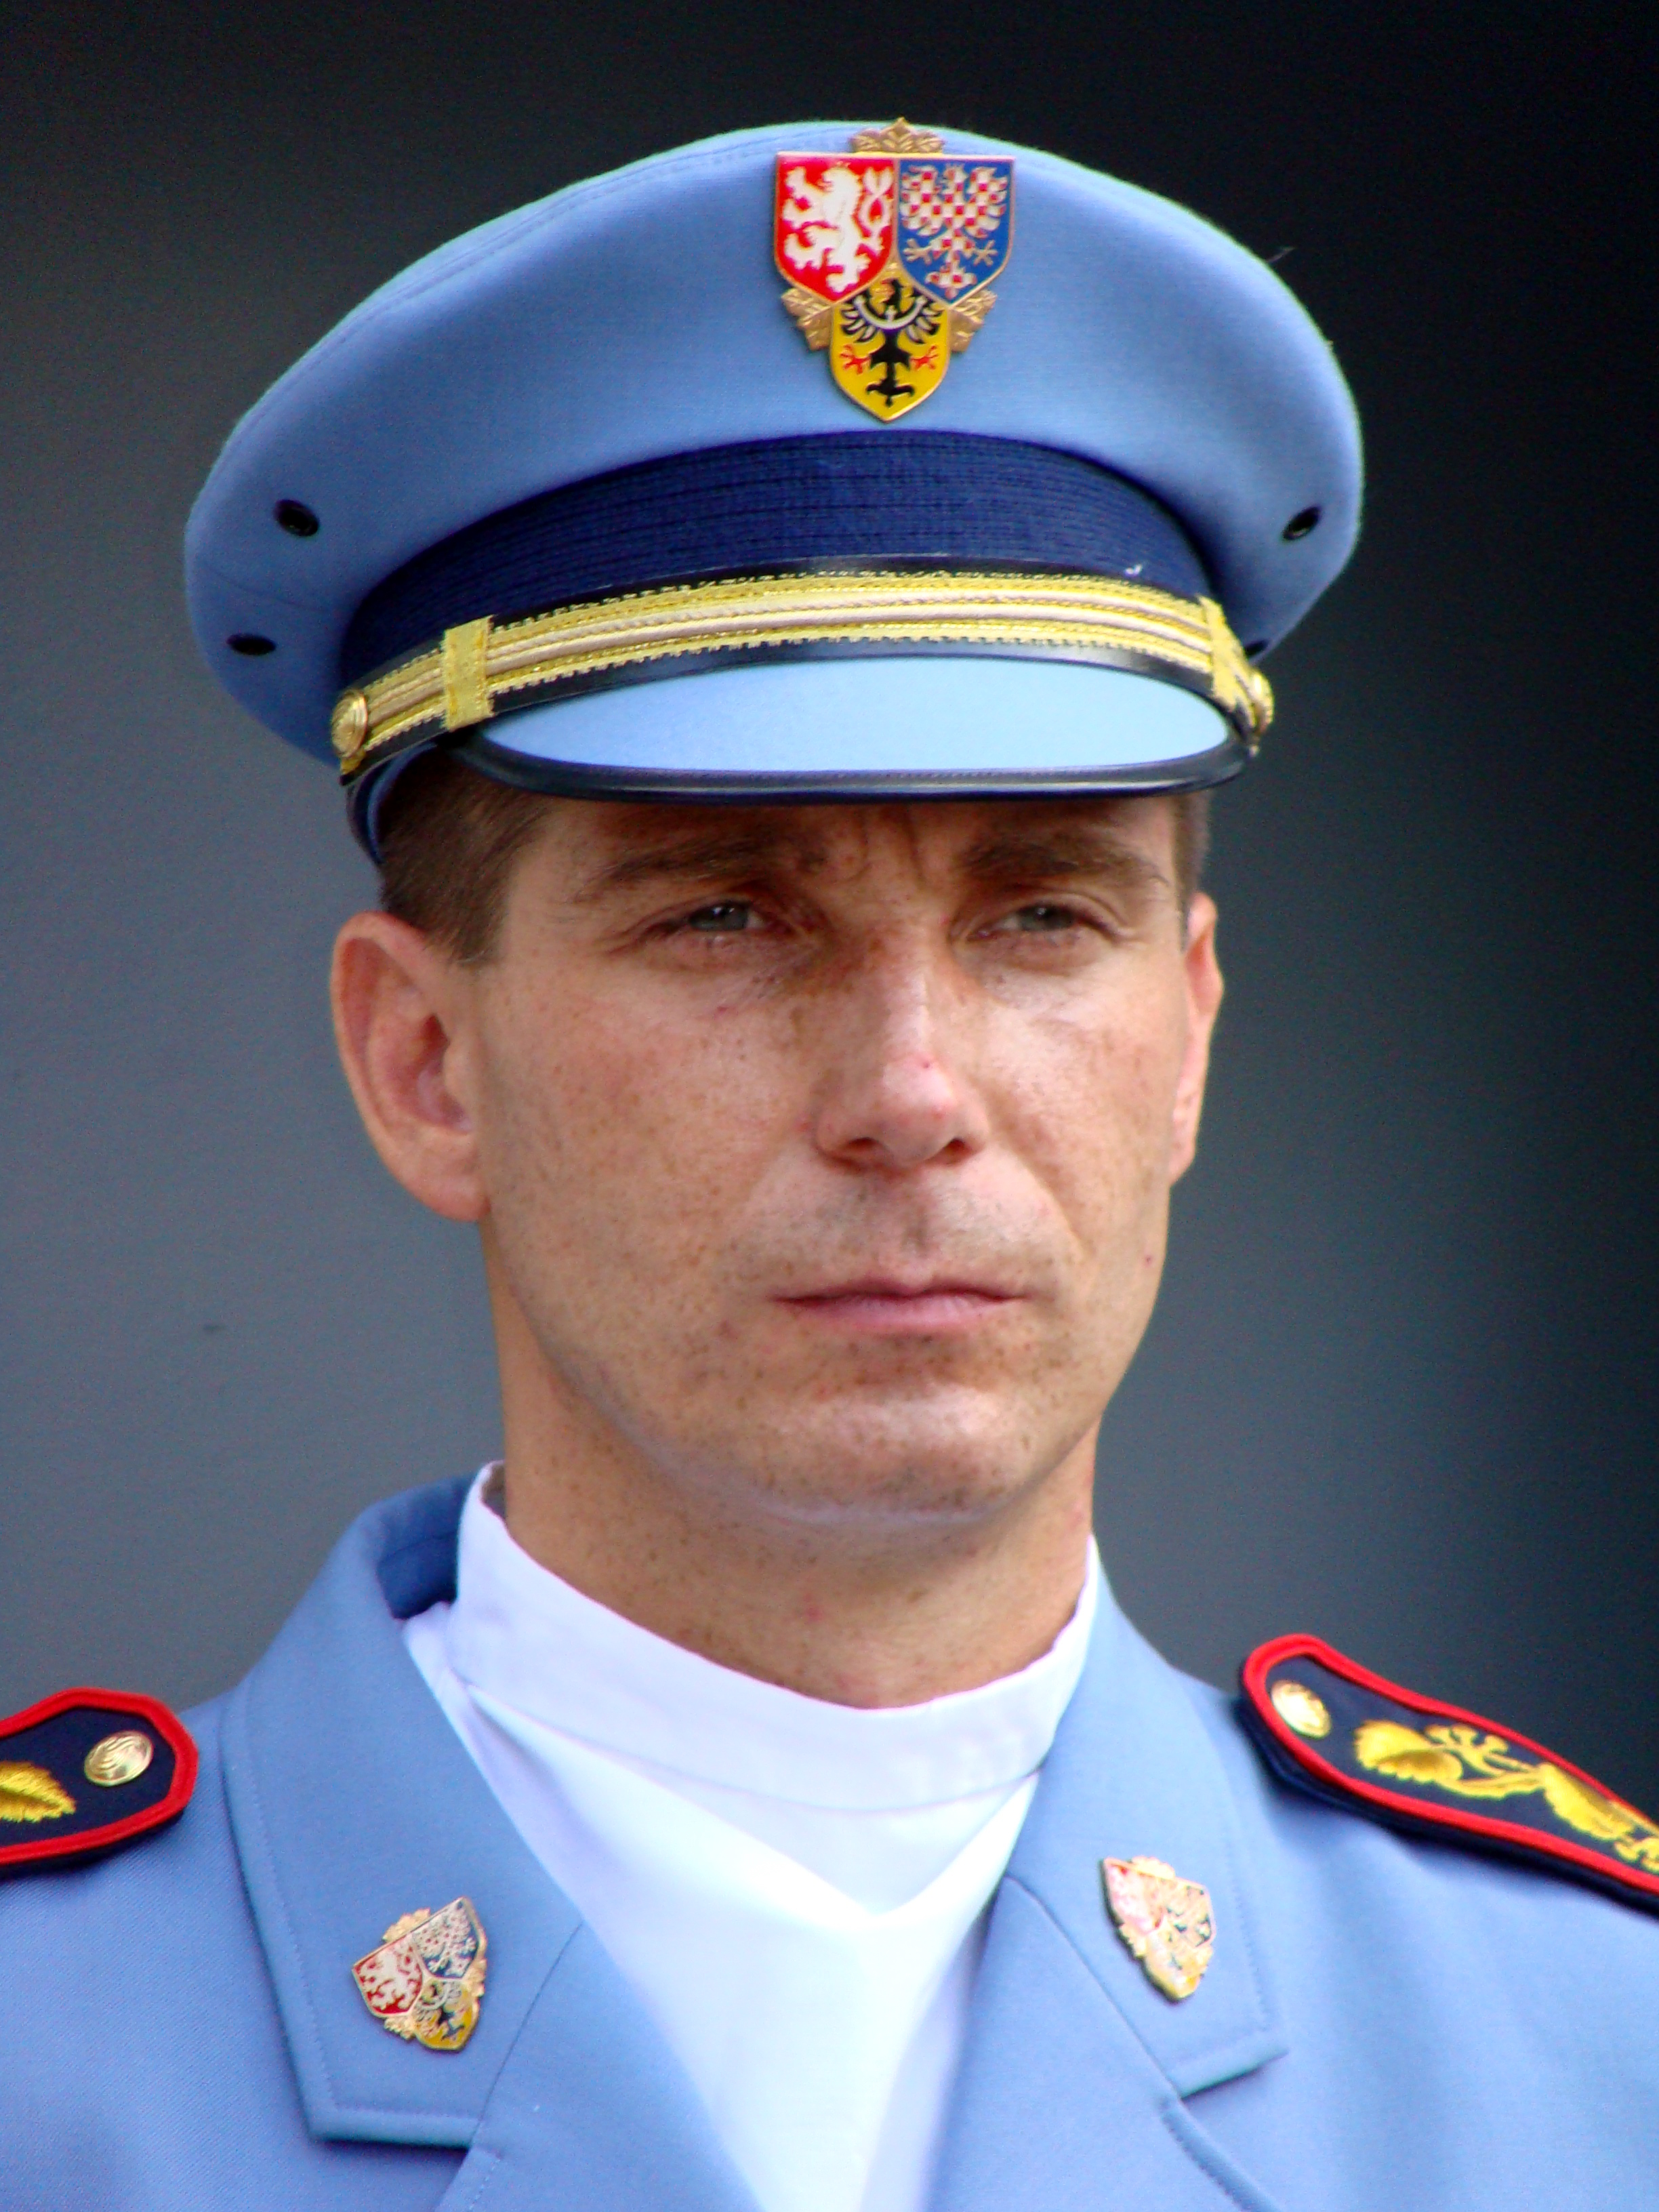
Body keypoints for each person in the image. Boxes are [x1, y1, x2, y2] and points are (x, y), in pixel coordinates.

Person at [4, 119, 1656, 2212]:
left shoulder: (1593, 2049)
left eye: (1041, 913)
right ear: (425, 1061)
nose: (912, 1086)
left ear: (1188, 1037)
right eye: (728, 915)